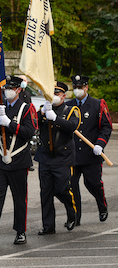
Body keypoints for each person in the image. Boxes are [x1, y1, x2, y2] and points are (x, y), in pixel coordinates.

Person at [0, 75, 37, 246]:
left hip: (18, 159)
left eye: (11, 88)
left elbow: (29, 132)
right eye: (5, 88)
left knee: (19, 197)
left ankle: (20, 231)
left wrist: (9, 124)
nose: (7, 91)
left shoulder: (27, 109)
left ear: (19, 90)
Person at [35, 81, 79, 235]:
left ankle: (72, 211)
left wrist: (55, 119)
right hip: (45, 157)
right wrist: (42, 114)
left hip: (63, 157)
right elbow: (34, 124)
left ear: (63, 96)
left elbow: (72, 126)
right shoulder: (43, 109)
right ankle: (48, 226)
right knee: (45, 193)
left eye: (57, 94)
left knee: (62, 189)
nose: (54, 96)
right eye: (51, 94)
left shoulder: (71, 110)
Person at [66, 75, 112, 224]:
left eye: (80, 87)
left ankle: (102, 206)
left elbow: (106, 127)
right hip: (73, 155)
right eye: (75, 87)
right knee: (71, 187)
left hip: (91, 154)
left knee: (93, 183)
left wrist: (100, 144)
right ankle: (75, 217)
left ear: (86, 87)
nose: (78, 90)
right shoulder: (69, 106)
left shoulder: (97, 105)